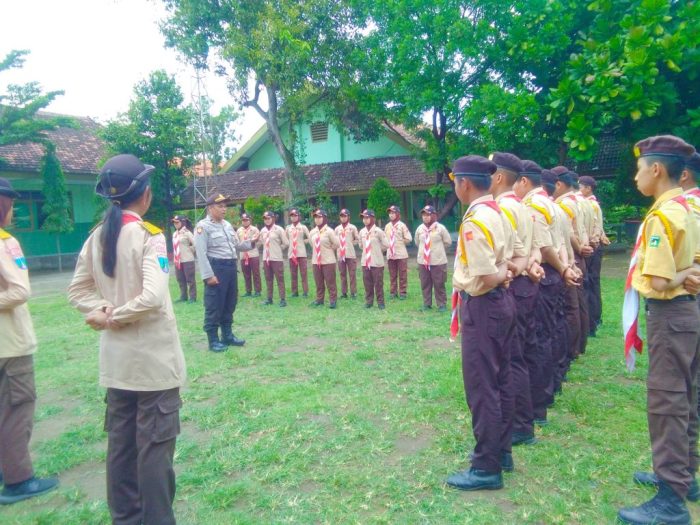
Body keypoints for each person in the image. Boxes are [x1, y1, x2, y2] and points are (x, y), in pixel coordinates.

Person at [67, 154, 186, 524]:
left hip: (118, 364)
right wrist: (114, 314)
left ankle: (126, 518)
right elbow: (151, 297)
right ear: (145, 194)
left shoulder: (97, 237)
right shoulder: (149, 238)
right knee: (153, 452)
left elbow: (77, 291)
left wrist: (102, 310)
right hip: (153, 365)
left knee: (120, 447)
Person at [618, 136, 700, 525]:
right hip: (689, 312)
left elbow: (660, 281)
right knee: (687, 394)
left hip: (670, 314)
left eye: (639, 169)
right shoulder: (690, 207)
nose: (635, 177)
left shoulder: (662, 216)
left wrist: (682, 274)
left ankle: (670, 499)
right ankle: (685, 476)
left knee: (667, 400)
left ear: (656, 170)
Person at [446, 155, 526, 492]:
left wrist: (503, 274)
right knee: (502, 379)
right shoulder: (497, 211)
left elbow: (486, 274)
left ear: (463, 183)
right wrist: (507, 272)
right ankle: (501, 451)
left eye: (454, 180)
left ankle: (486, 466)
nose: (455, 185)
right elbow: (509, 261)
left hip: (483, 306)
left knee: (483, 386)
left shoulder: (475, 220)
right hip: (500, 305)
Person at [0, 177, 59, 505]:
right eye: (10, 204)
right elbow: (20, 290)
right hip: (10, 344)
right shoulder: (5, 242)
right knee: (17, 411)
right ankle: (18, 479)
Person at [489, 152, 544, 447]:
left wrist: (515, 270)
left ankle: (522, 423)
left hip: (514, 284)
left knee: (512, 358)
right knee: (521, 353)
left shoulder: (504, 209)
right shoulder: (521, 206)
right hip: (525, 282)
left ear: (498, 177)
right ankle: (526, 416)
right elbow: (533, 247)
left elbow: (509, 253)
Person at [195, 194, 256, 352]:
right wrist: (208, 275)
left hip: (230, 267)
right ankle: (213, 339)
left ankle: (227, 335)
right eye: (220, 206)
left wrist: (252, 243)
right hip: (216, 268)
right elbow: (201, 254)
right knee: (215, 304)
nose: (224, 209)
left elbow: (236, 245)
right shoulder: (203, 226)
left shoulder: (227, 225)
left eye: (225, 206)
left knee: (230, 302)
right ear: (210, 208)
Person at [578, 175, 610, 336]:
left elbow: (596, 226)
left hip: (591, 247)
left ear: (589, 188)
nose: (579, 189)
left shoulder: (590, 204)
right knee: (592, 282)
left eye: (581, 186)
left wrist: (594, 240)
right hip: (593, 246)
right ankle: (595, 317)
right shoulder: (591, 204)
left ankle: (594, 317)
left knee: (590, 283)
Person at [414, 205, 452, 311]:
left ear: (434, 215)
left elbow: (447, 242)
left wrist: (437, 249)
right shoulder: (420, 229)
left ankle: (441, 304)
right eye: (423, 215)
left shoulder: (440, 228)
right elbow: (417, 242)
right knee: (425, 283)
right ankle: (427, 304)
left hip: (438, 261)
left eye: (428, 215)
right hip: (423, 261)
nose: (425, 217)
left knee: (439, 283)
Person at [309, 209, 340, 308]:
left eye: (319, 217)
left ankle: (333, 300)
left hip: (328, 261)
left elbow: (337, 243)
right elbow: (311, 244)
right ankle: (319, 299)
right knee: (318, 282)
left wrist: (329, 249)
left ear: (324, 218)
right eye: (315, 217)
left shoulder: (329, 231)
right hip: (316, 261)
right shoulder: (312, 232)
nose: (317, 219)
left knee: (330, 282)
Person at [359, 209, 389, 309]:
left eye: (367, 217)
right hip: (365, 262)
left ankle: (380, 302)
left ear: (372, 218)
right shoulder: (362, 231)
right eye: (363, 218)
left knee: (378, 283)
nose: (365, 220)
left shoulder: (378, 231)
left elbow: (386, 244)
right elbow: (360, 245)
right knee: (367, 283)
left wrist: (377, 250)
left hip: (376, 262)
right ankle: (369, 302)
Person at [259, 211, 289, 307]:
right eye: (265, 218)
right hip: (266, 258)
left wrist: (279, 249)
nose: (267, 220)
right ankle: (269, 298)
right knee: (268, 279)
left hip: (276, 258)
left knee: (279, 279)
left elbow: (286, 243)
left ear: (273, 218)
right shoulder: (262, 230)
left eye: (269, 218)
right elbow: (260, 243)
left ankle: (282, 299)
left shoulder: (279, 229)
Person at [385, 205, 412, 299]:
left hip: (401, 254)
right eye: (390, 213)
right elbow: (385, 239)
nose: (391, 215)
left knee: (402, 274)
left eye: (393, 213)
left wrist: (399, 242)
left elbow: (409, 238)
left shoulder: (402, 225)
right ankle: (393, 292)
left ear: (397, 214)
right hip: (390, 254)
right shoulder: (387, 226)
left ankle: (403, 292)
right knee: (392, 274)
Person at [335, 208, 360, 299]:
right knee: (342, 274)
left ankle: (353, 292)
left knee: (352, 274)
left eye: (345, 216)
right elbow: (334, 241)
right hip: (340, 254)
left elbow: (357, 239)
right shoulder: (337, 229)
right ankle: (344, 292)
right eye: (341, 216)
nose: (343, 218)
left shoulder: (352, 227)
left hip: (350, 254)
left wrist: (350, 244)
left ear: (348, 217)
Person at [172, 215, 197, 303]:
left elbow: (196, 243)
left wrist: (191, 249)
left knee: (190, 279)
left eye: (177, 222)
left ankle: (192, 297)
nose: (175, 224)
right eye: (174, 222)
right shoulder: (175, 234)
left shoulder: (187, 233)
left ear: (182, 222)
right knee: (180, 279)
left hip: (187, 259)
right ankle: (183, 296)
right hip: (178, 260)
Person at [286, 208, 310, 298]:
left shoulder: (303, 227)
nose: (293, 217)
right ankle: (294, 292)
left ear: (299, 216)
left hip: (301, 253)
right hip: (292, 254)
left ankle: (305, 291)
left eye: (295, 215)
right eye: (292, 216)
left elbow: (310, 237)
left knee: (303, 273)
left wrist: (303, 241)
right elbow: (285, 239)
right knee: (293, 273)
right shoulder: (288, 228)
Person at [237, 213, 262, 297]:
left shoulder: (254, 229)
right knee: (246, 274)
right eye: (243, 220)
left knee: (256, 273)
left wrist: (254, 248)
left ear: (250, 220)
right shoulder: (239, 230)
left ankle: (257, 291)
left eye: (246, 220)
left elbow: (258, 240)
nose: (245, 222)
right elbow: (237, 242)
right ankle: (248, 291)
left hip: (253, 254)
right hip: (243, 255)